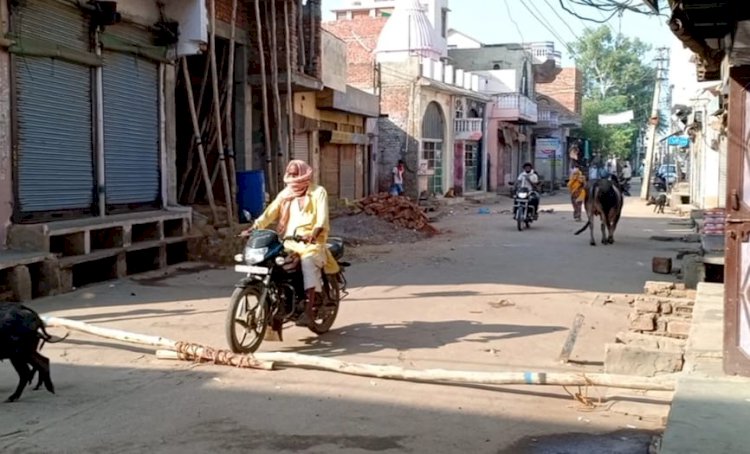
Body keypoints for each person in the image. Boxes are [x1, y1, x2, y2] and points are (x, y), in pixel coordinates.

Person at [243, 160, 339, 327]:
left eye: (296, 174)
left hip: (311, 243)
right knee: (273, 262)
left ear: (304, 173)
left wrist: (313, 234)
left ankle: (309, 310)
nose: (293, 177)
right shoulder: (286, 194)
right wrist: (254, 227)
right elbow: (270, 212)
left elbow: (322, 218)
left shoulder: (318, 192)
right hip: (289, 241)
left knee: (308, 262)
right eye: (291, 174)